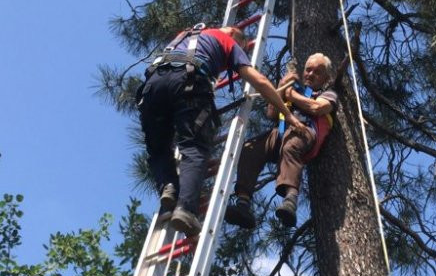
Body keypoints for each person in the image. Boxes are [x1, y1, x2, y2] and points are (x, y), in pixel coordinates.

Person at [138, 24, 307, 236]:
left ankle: (169, 187)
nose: (242, 52)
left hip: (152, 87)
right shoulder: (227, 41)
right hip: (188, 81)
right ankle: (185, 210)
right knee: (194, 147)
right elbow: (260, 81)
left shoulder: (186, 35)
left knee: (158, 149)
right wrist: (288, 114)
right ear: (235, 34)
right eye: (244, 47)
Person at [224, 53, 338, 229]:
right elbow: (271, 114)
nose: (311, 74)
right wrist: (282, 87)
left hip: (304, 131)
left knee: (291, 144)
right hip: (280, 132)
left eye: (318, 71)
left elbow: (316, 107)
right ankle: (243, 202)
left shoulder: (327, 93)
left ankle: (290, 199)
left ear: (325, 78)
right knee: (250, 149)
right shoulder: (294, 88)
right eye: (308, 70)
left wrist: (290, 95)